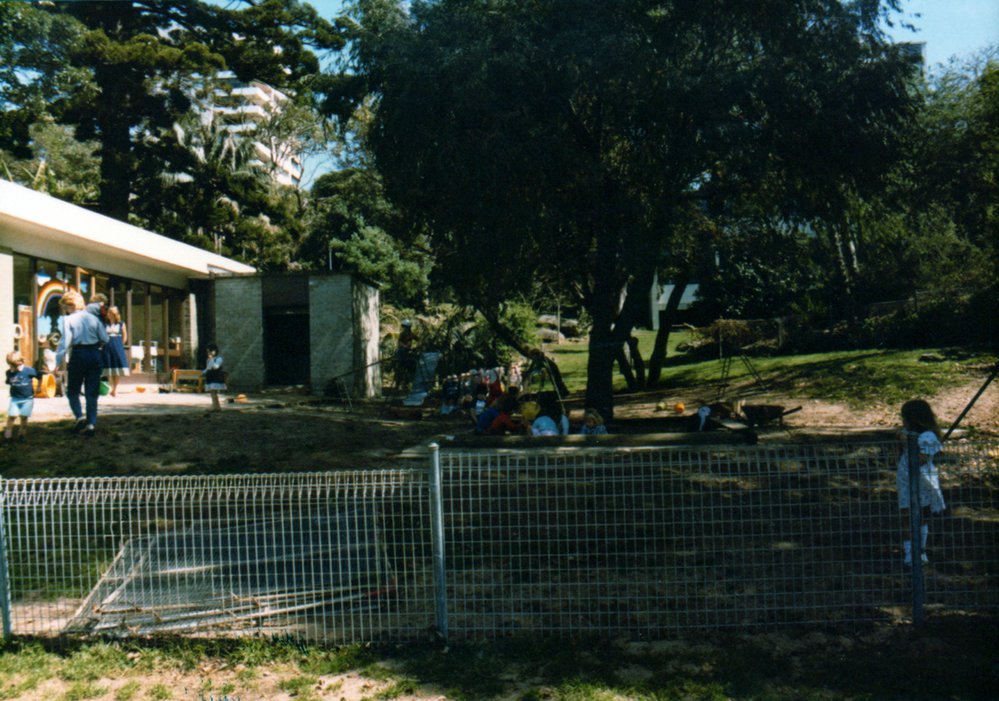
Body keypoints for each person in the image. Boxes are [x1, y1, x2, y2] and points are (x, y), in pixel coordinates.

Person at [896, 399, 945, 566]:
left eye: (905, 418)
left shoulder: (927, 437)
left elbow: (921, 460)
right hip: (905, 479)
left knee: (920, 515)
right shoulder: (908, 433)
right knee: (905, 514)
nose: (903, 422)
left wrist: (907, 443)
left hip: (922, 480)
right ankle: (910, 552)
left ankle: (920, 551)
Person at [54, 288, 109, 437]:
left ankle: (79, 416)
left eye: (65, 308)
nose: (64, 311)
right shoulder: (93, 318)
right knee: (92, 392)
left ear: (69, 306)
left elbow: (65, 342)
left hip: (78, 354)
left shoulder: (69, 319)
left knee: (73, 390)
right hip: (94, 354)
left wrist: (57, 361)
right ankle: (91, 423)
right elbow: (105, 338)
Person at [5, 351, 39, 443]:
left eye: (14, 366)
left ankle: (22, 435)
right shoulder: (9, 372)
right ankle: (7, 436)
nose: (12, 368)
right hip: (15, 399)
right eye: (10, 366)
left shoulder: (29, 370)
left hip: (27, 399)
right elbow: (8, 381)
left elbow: (39, 375)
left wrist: (39, 386)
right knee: (11, 416)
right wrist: (11, 376)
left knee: (24, 417)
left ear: (21, 362)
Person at [101, 306, 129, 396]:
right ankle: (111, 388)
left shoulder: (121, 324)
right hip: (107, 346)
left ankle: (115, 389)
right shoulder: (104, 324)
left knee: (117, 368)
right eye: (108, 312)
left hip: (117, 346)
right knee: (109, 368)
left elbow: (125, 336)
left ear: (115, 314)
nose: (109, 314)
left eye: (111, 313)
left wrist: (121, 344)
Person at [203, 343, 226, 412]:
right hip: (210, 377)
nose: (208, 353)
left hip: (216, 377)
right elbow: (208, 368)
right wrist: (203, 372)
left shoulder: (219, 359)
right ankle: (216, 406)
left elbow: (216, 367)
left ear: (214, 351)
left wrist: (212, 359)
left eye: (210, 351)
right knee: (212, 392)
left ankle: (215, 406)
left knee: (214, 392)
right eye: (207, 352)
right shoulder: (208, 360)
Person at [396, 319, 417, 389]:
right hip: (402, 351)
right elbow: (399, 342)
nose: (405, 328)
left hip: (408, 351)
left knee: (411, 366)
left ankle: (408, 382)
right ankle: (398, 383)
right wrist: (404, 346)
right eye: (404, 327)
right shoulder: (402, 334)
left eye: (406, 327)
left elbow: (417, 339)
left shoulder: (411, 334)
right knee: (401, 365)